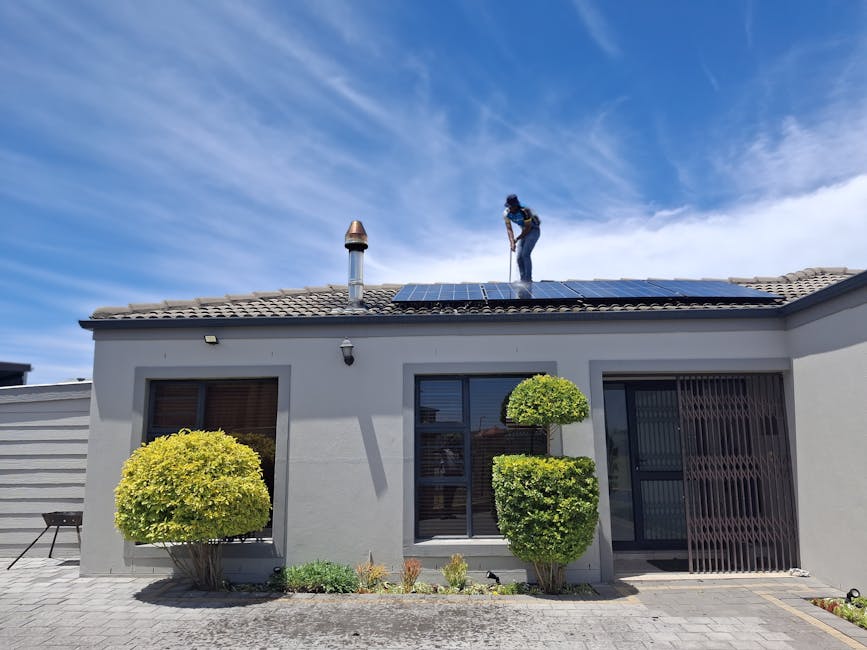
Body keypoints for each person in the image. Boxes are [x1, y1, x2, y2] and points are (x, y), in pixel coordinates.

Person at [503, 194, 541, 283]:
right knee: (519, 257)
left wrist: (517, 239)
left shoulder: (525, 211)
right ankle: (523, 280)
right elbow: (509, 229)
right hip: (524, 231)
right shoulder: (506, 214)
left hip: (533, 230)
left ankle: (528, 280)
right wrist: (512, 242)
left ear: (516, 205)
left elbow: (528, 228)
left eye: (512, 206)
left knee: (525, 254)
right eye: (509, 206)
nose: (510, 208)